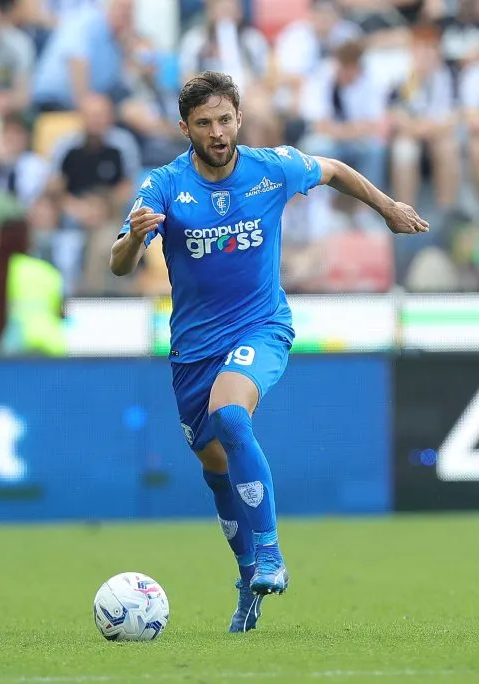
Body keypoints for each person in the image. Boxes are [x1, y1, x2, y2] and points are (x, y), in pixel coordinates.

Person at [109, 71, 428, 633]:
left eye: (225, 119)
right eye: (204, 123)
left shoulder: (271, 168)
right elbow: (119, 264)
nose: (217, 131)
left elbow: (332, 169)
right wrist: (135, 236)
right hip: (192, 352)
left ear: (239, 117)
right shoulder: (163, 185)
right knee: (215, 470)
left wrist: (386, 206)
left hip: (261, 327)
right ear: (185, 127)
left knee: (230, 415)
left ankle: (272, 552)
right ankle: (247, 580)